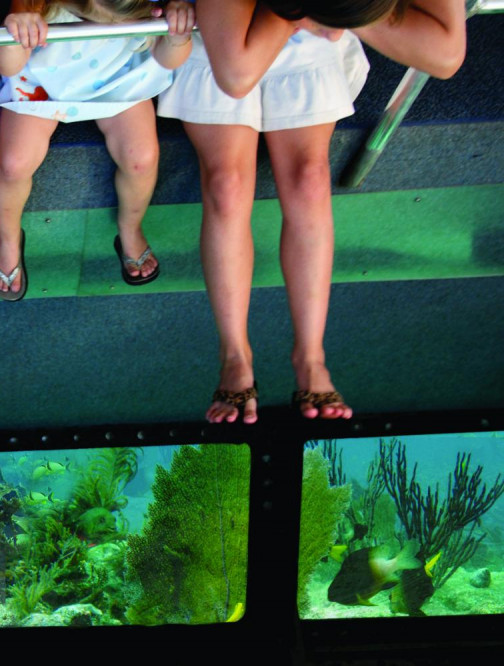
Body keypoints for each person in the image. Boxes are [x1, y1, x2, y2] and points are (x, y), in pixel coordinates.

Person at [156, 0, 465, 424]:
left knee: (310, 180)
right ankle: (235, 354)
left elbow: (446, 56)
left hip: (311, 31)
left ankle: (311, 355)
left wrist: (329, 12)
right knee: (227, 186)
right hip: (225, 36)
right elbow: (236, 77)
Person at [0, 0, 195, 301]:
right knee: (14, 164)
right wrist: (16, 30)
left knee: (142, 158)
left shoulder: (144, 6)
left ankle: (131, 227)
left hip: (119, 78)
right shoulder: (36, 5)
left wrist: (178, 36)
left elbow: (168, 59)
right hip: (41, 79)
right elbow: (6, 65)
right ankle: (7, 239)